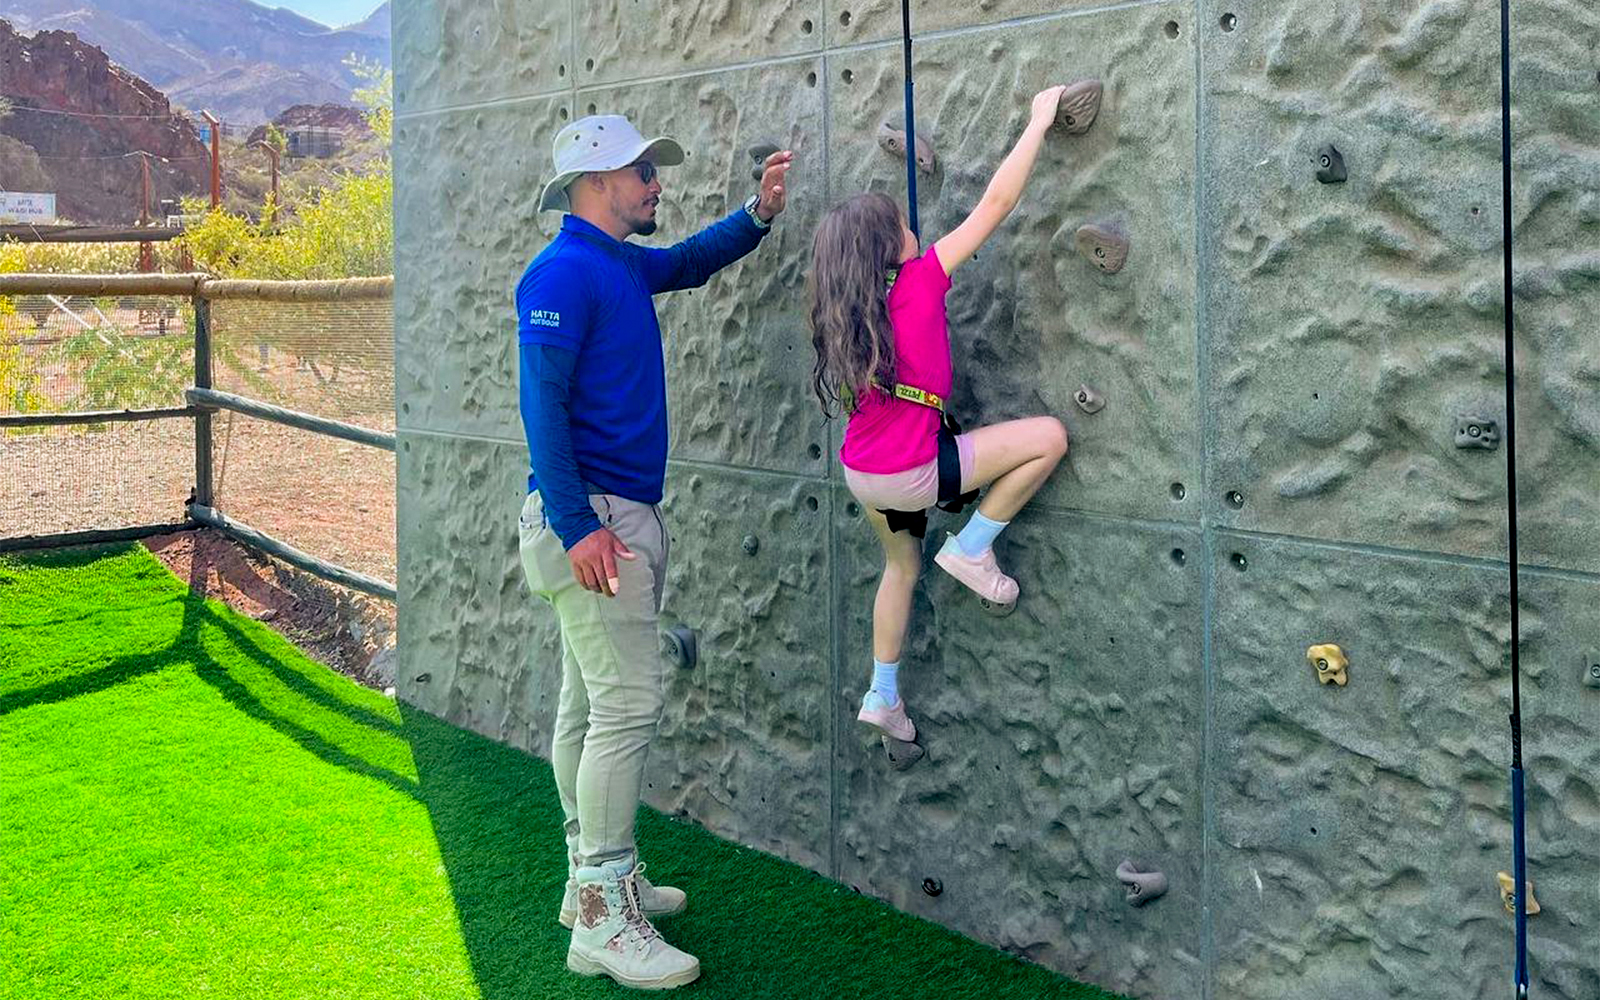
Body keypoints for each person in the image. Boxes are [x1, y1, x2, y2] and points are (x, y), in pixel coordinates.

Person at [515, 113, 791, 989]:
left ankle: (591, 880)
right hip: (593, 522)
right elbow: (541, 409)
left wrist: (758, 213)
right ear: (595, 180)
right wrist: (578, 525)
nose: (656, 186)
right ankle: (601, 914)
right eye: (643, 173)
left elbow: (688, 262)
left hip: (602, 518)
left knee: (585, 710)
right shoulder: (559, 272)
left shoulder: (618, 263)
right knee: (627, 709)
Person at [807, 86, 1071, 748]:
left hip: (864, 475)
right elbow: (997, 205)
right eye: (899, 224)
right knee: (1048, 439)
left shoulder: (851, 319)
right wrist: (1038, 119)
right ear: (889, 248)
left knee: (900, 567)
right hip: (912, 473)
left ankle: (883, 694)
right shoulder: (921, 278)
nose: (909, 227)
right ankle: (976, 547)